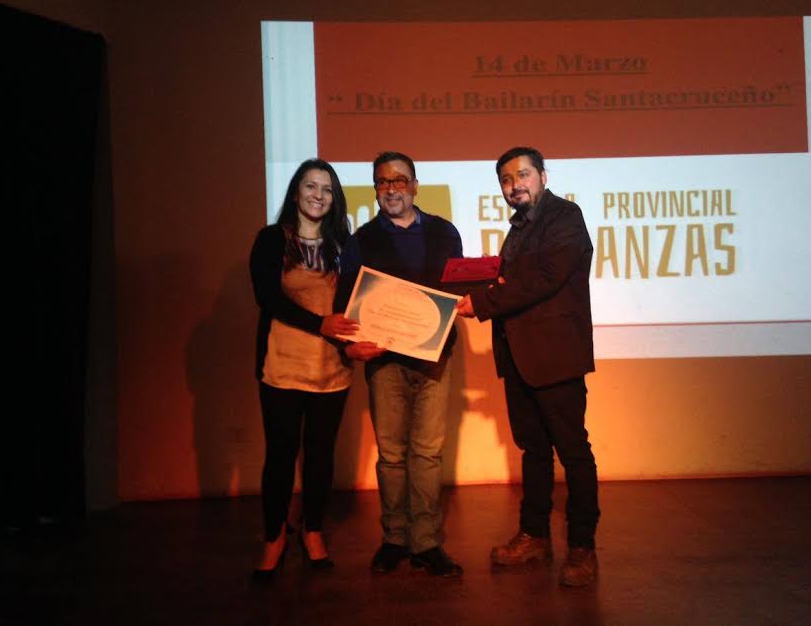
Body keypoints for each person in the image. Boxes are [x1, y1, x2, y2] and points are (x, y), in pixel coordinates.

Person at [456, 146, 600, 587]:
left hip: (556, 356)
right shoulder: (517, 229)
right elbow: (516, 282)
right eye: (506, 179)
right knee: (533, 451)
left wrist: (483, 301)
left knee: (573, 452)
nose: (514, 185)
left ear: (542, 176)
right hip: (519, 357)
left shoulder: (565, 218)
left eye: (523, 175)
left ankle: (582, 547)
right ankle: (534, 535)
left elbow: (544, 279)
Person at [334, 151, 464, 577]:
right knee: (391, 455)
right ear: (376, 189)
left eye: (399, 180)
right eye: (383, 182)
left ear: (415, 186)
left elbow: (455, 291)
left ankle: (425, 542)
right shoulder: (361, 239)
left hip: (434, 359)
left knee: (427, 453)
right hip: (384, 361)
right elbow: (346, 301)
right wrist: (349, 346)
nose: (391, 189)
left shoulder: (445, 233)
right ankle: (394, 538)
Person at [249, 158, 359, 579]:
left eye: (327, 189)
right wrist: (320, 324)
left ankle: (313, 530)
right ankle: (274, 535)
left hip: (331, 370)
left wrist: (358, 338)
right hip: (282, 367)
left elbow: (355, 303)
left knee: (320, 457)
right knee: (280, 456)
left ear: (335, 199)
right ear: (296, 193)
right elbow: (268, 299)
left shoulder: (343, 245)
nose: (318, 195)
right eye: (311, 186)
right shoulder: (272, 239)